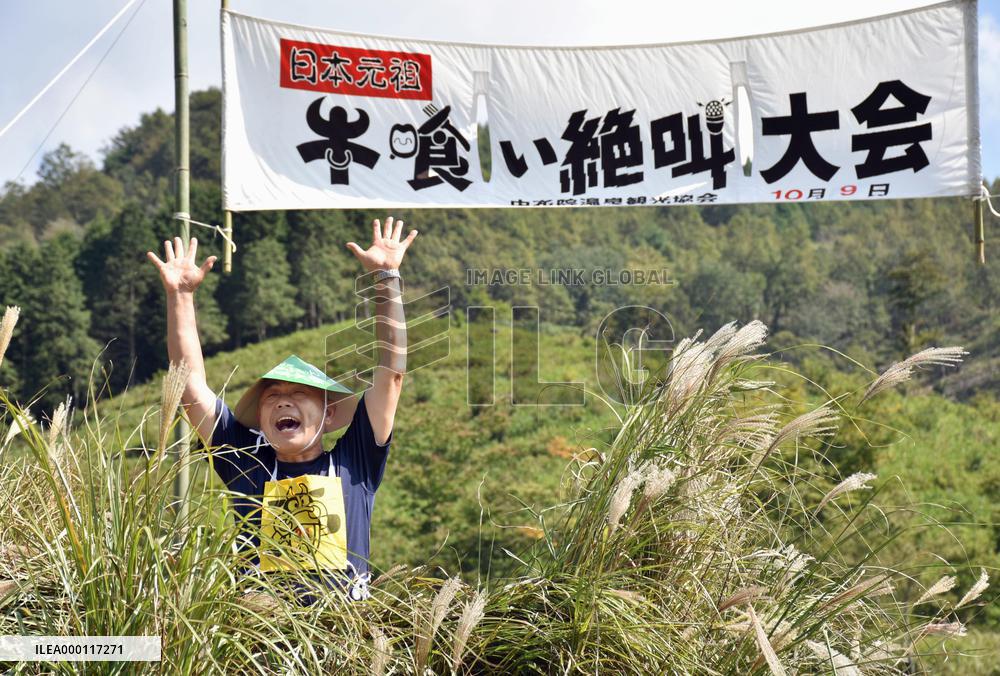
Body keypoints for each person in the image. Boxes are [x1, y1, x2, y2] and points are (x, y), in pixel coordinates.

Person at [146, 216, 417, 603]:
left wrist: (387, 278)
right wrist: (181, 298)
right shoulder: (244, 460)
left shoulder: (355, 460)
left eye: (299, 395)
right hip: (260, 648)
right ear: (260, 419)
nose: (283, 402)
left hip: (344, 644)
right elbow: (188, 388)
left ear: (328, 416)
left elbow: (391, 373)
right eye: (272, 397)